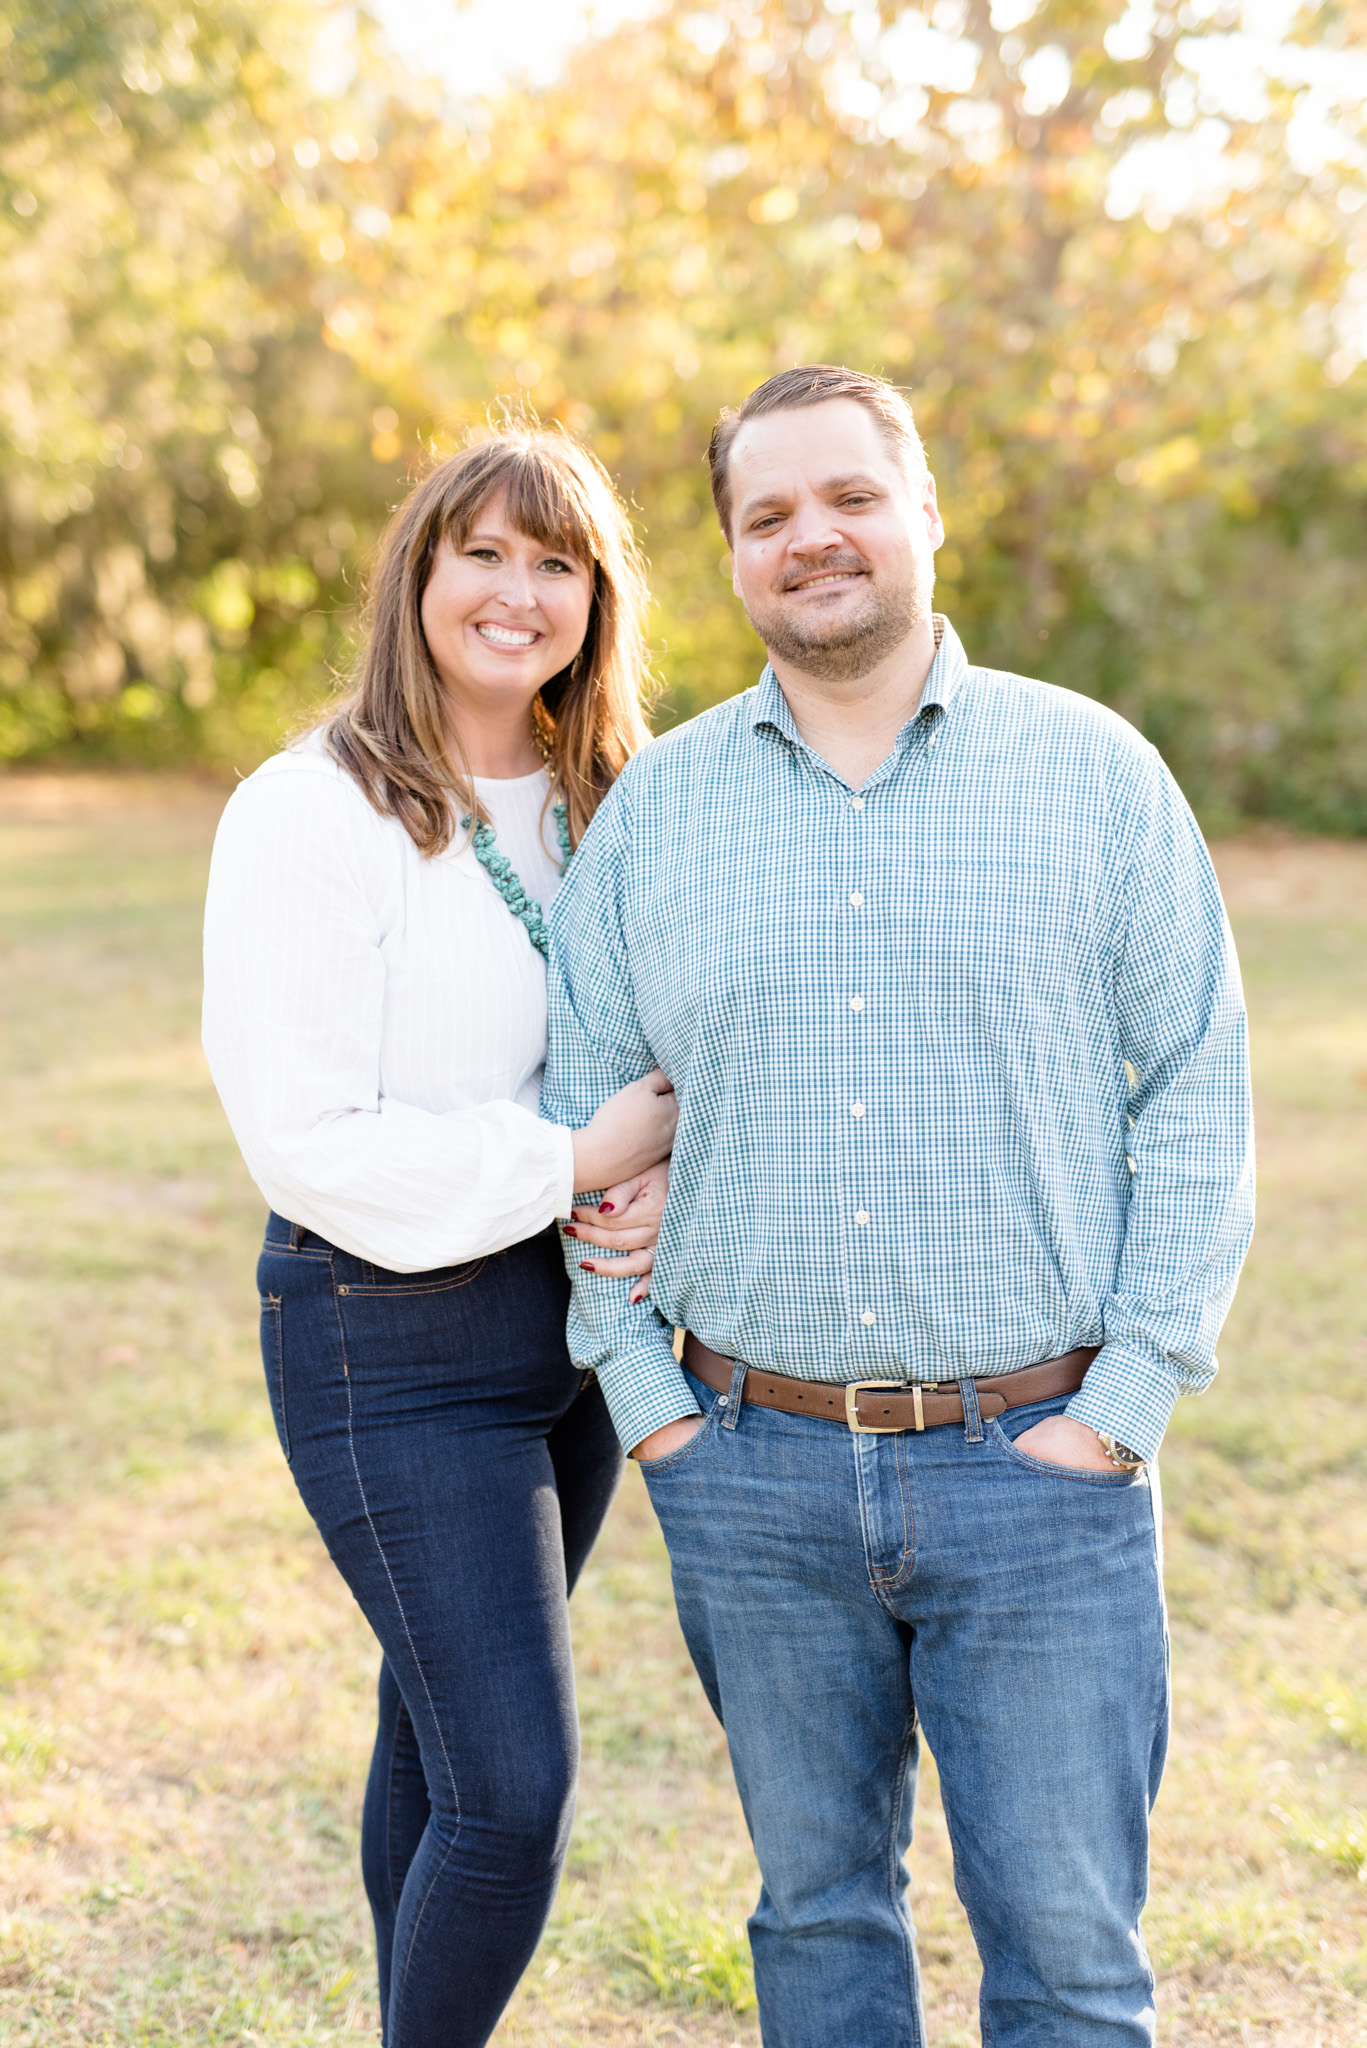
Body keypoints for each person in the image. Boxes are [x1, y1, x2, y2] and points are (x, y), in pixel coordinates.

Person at [542, 365, 1255, 2046]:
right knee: (815, 1921)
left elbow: (1204, 1099)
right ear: (731, 561)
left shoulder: (1096, 777)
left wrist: (1128, 1405)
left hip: (1042, 1474)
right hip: (750, 1472)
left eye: (850, 497)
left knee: (1072, 1963)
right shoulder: (658, 817)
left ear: (925, 513)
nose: (814, 539)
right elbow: (587, 1125)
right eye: (768, 515)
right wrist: (652, 1413)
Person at [202, 425, 676, 2048]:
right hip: (385, 1340)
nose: (517, 591)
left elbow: (674, 1053)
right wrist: (582, 1153)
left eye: (559, 563)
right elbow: (308, 1139)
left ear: (597, 603)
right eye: (482, 550)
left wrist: (654, 1173)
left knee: (440, 1742)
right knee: (516, 1792)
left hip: (580, 1340)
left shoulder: (619, 800)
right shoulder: (311, 810)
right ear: (419, 571)